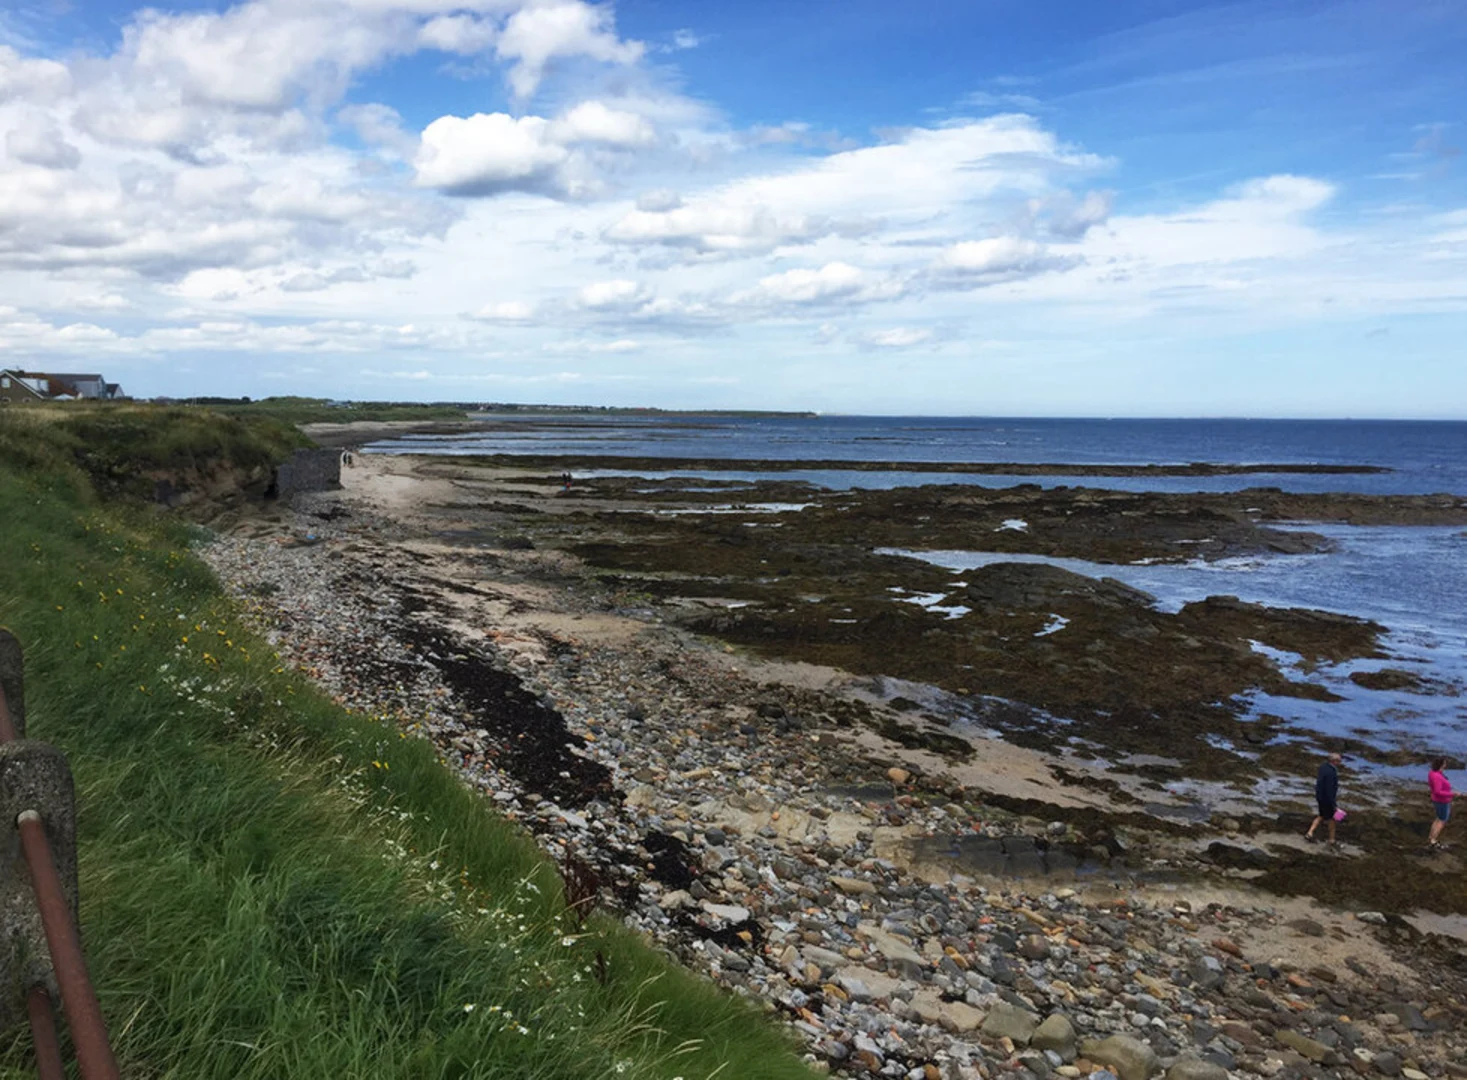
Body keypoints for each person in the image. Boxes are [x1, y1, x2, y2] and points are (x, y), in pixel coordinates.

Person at [1305, 752, 1343, 845]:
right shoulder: (1331, 772)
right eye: (1339, 761)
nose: (1340, 763)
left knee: (1321, 815)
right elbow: (1329, 790)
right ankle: (1331, 839)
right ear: (1334, 761)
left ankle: (1310, 832)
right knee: (1332, 819)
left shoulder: (1323, 767)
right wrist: (1334, 805)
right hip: (1327, 799)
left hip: (1320, 797)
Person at [1428, 757, 1453, 849]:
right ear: (1441, 764)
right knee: (1442, 820)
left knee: (1438, 819)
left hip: (1439, 800)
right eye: (1444, 763)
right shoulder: (1436, 776)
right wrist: (1453, 794)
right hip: (1442, 801)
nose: (1446, 765)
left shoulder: (1433, 773)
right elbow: (1438, 791)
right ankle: (1433, 841)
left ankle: (1431, 838)